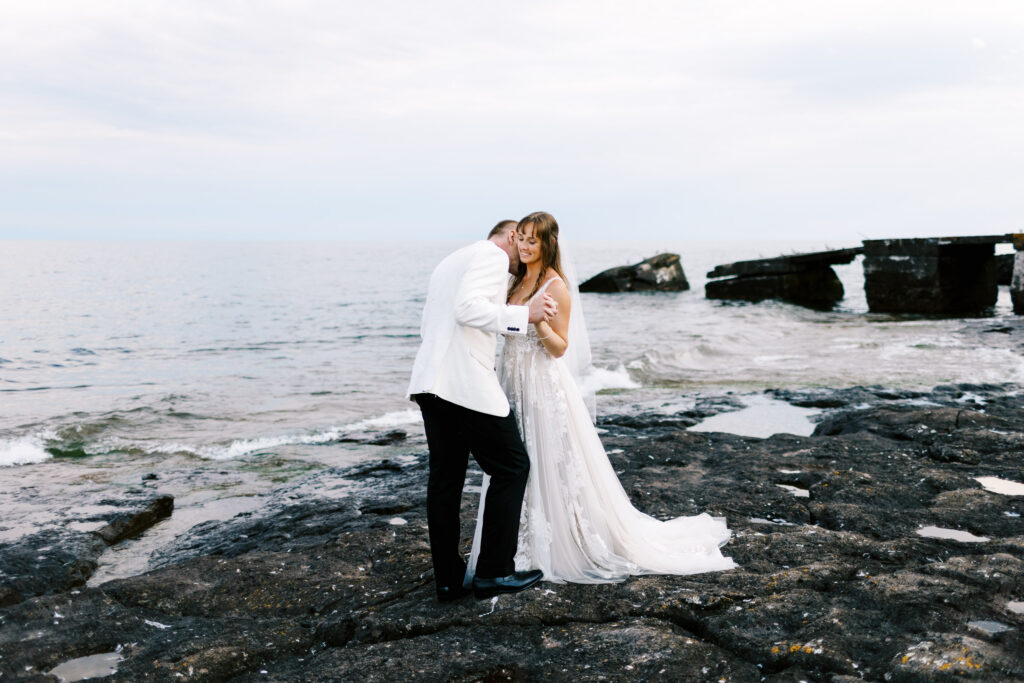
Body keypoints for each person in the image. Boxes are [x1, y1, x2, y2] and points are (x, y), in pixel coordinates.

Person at [469, 212, 737, 583]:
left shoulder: (555, 285)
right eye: (522, 239)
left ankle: (560, 542)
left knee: (550, 462)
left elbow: (560, 347)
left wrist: (539, 321)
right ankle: (512, 545)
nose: (526, 247)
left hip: (542, 384)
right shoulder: (514, 279)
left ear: (548, 244)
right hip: (511, 381)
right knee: (516, 464)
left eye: (533, 240)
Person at [407, 220, 558, 601]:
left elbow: (434, 320)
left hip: (429, 382)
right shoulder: (492, 256)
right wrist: (527, 314)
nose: (517, 265)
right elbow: (467, 310)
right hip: (464, 384)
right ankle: (493, 572)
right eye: (519, 245)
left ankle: (447, 579)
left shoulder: (452, 260)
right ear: (510, 237)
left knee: (446, 480)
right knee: (512, 466)